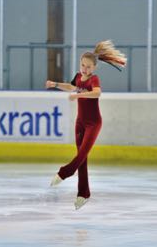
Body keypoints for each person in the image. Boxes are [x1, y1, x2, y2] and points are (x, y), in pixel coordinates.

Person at [45, 40, 126, 210]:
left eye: (88, 67)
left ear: (94, 68)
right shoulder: (78, 77)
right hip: (80, 123)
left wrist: (79, 96)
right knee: (83, 159)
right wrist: (56, 84)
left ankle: (65, 172)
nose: (85, 69)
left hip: (93, 123)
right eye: (83, 65)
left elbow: (97, 93)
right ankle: (83, 194)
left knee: (81, 155)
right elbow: (72, 86)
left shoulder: (94, 79)